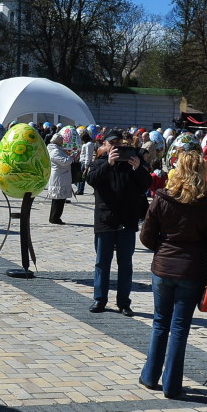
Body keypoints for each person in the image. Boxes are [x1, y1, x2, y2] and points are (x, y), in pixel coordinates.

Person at [137, 150, 207, 398]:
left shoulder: (162, 198)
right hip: (191, 270)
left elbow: (146, 236)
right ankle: (172, 384)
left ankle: (150, 376)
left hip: (163, 269)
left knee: (160, 323)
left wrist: (163, 249)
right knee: (179, 327)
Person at [86, 134, 151, 315]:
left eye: (118, 144)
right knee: (102, 262)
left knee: (125, 264)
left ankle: (124, 302)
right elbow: (91, 180)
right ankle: (99, 299)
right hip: (105, 220)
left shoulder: (131, 164)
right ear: (105, 145)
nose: (115, 147)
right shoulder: (99, 163)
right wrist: (108, 163)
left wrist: (138, 168)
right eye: (111, 144)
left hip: (127, 221)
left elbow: (147, 184)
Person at [44, 134, 74, 224]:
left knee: (60, 199)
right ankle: (54, 218)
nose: (63, 142)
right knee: (58, 200)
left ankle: (56, 217)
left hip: (61, 176)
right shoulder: (55, 151)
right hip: (59, 177)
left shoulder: (57, 149)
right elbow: (64, 162)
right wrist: (71, 158)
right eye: (61, 140)